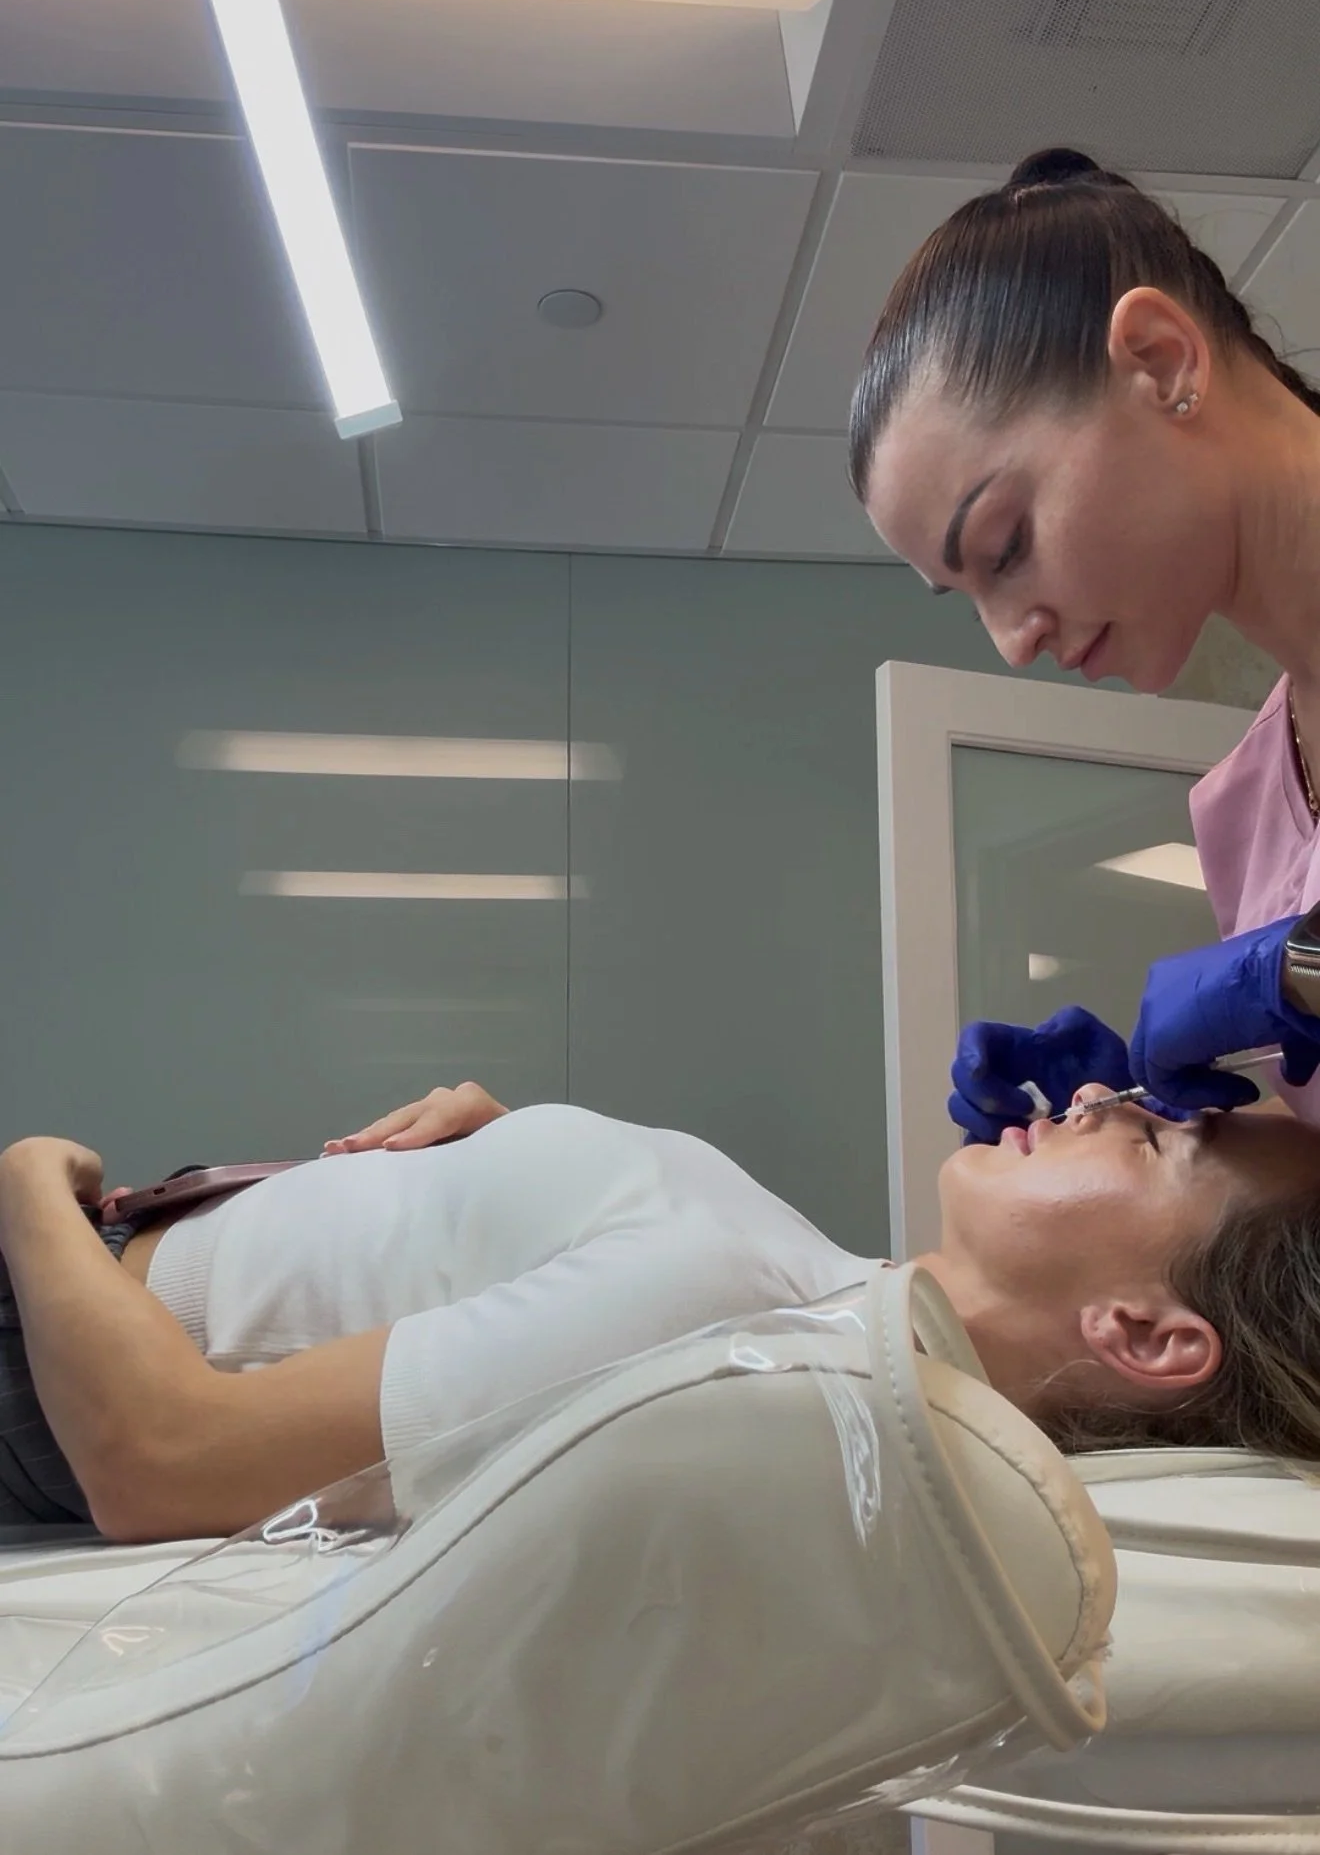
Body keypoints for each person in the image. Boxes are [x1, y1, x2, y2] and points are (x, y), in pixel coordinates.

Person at [3, 1072, 1320, 1544]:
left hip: (47, 1324)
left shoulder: (731, 1328)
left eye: (1158, 1141)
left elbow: (161, 1457)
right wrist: (506, 1166)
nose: (1098, 1098)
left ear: (1145, 1332)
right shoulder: (806, 1287)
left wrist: (29, 1185)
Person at [845, 145, 1320, 1132]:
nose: (1010, 644)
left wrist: (1300, 972)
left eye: (1005, 546)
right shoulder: (1249, 808)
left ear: (1161, 360)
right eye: (966, 594)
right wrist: (1164, 1122)